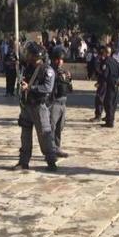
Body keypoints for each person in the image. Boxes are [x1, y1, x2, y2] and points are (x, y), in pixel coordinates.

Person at [15, 42, 58, 171]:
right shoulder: (28, 67)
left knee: (44, 135)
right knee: (25, 135)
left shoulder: (47, 70)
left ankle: (51, 162)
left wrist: (30, 87)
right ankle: (23, 162)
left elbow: (47, 87)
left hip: (39, 107)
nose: (27, 56)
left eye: (29, 54)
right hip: (27, 106)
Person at [49, 45, 73, 158]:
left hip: (63, 102)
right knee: (52, 127)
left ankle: (57, 148)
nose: (60, 62)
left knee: (60, 127)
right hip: (54, 102)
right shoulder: (50, 71)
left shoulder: (63, 72)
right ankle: (50, 150)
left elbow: (70, 89)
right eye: (57, 59)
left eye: (61, 59)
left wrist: (69, 79)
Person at [99, 45, 119, 128]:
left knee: (108, 102)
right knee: (113, 102)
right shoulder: (114, 61)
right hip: (116, 83)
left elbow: (105, 74)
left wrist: (101, 82)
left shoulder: (106, 62)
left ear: (105, 52)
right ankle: (111, 118)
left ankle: (109, 122)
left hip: (110, 83)